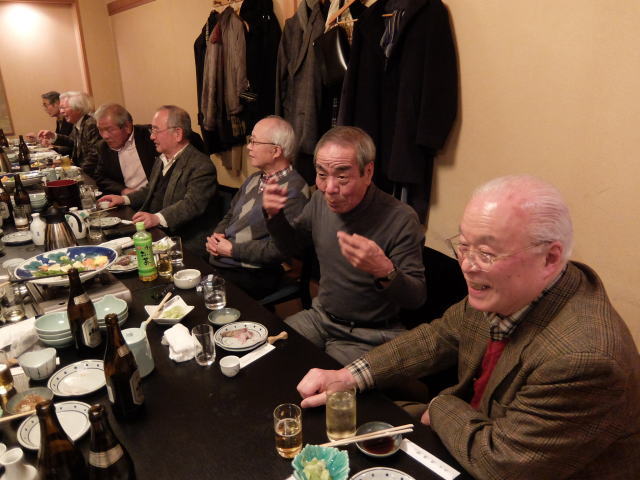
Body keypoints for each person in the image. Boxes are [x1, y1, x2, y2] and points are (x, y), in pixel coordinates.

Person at [295, 175, 640, 480]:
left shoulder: (585, 359)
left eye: (486, 253)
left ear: (550, 258)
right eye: (463, 245)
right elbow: (438, 336)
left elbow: (502, 464)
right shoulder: (509, 288)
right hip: (473, 430)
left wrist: (440, 407)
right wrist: (349, 376)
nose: (467, 266)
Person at [262, 126, 426, 365]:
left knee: (323, 382)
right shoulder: (319, 201)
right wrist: (274, 217)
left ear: (368, 172)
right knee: (268, 356)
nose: (329, 188)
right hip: (320, 318)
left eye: (342, 177)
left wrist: (384, 270)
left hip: (368, 334)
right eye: (321, 174)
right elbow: (291, 248)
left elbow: (416, 298)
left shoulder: (401, 218)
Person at [206, 116, 309, 300]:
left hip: (254, 272)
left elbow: (278, 250)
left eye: (254, 141)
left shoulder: (294, 189)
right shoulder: (254, 179)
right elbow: (230, 214)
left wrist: (232, 250)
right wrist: (217, 235)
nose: (249, 147)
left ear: (276, 151)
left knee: (204, 302)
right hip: (225, 262)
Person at [99, 105, 218, 255]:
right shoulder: (162, 159)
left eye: (156, 130)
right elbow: (150, 190)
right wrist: (124, 199)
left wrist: (157, 218)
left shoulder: (201, 165)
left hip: (184, 240)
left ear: (178, 134)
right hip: (157, 233)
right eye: (152, 130)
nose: (152, 137)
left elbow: (192, 204)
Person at [93, 103, 156, 195]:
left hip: (153, 196)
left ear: (127, 127)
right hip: (126, 199)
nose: (105, 136)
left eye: (109, 129)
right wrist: (123, 190)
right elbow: (100, 177)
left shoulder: (150, 136)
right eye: (100, 130)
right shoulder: (103, 147)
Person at [37, 91, 101, 176]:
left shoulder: (90, 124)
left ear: (78, 108)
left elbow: (94, 154)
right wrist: (53, 136)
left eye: (63, 108)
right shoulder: (78, 124)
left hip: (94, 175)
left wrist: (77, 172)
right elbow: (71, 141)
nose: (61, 111)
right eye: (60, 108)